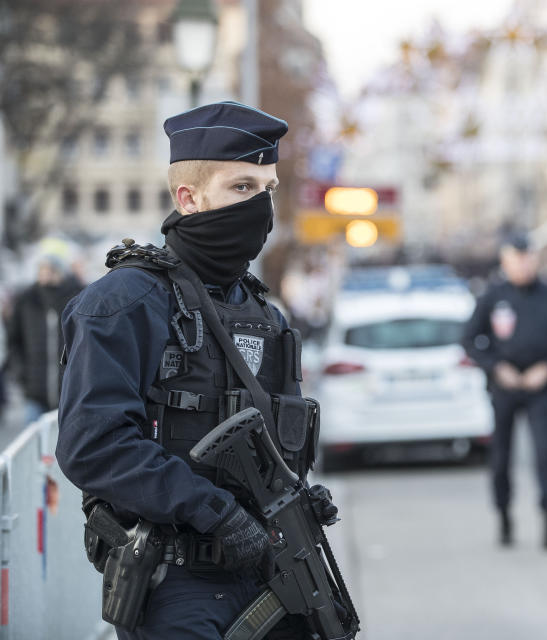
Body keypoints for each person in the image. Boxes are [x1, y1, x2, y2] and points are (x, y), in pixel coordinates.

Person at [56, 101, 337, 639]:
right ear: (189, 197)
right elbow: (92, 445)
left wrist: (299, 496)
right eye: (241, 188)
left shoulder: (264, 315)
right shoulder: (124, 302)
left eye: (268, 188)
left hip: (269, 572)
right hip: (175, 581)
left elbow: (277, 439)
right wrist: (215, 512)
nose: (260, 205)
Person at [461, 233, 547, 550]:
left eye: (528, 258)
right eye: (516, 259)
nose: (523, 265)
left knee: (544, 454)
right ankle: (504, 516)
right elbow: (471, 339)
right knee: (501, 457)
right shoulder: (493, 296)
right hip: (505, 388)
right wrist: (497, 367)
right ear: (505, 262)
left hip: (540, 388)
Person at [6, 241, 83, 424]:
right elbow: (14, 340)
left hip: (70, 393)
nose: (45, 273)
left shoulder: (77, 297)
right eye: (42, 268)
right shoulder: (26, 300)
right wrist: (21, 374)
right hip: (34, 393)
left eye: (51, 269)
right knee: (34, 448)